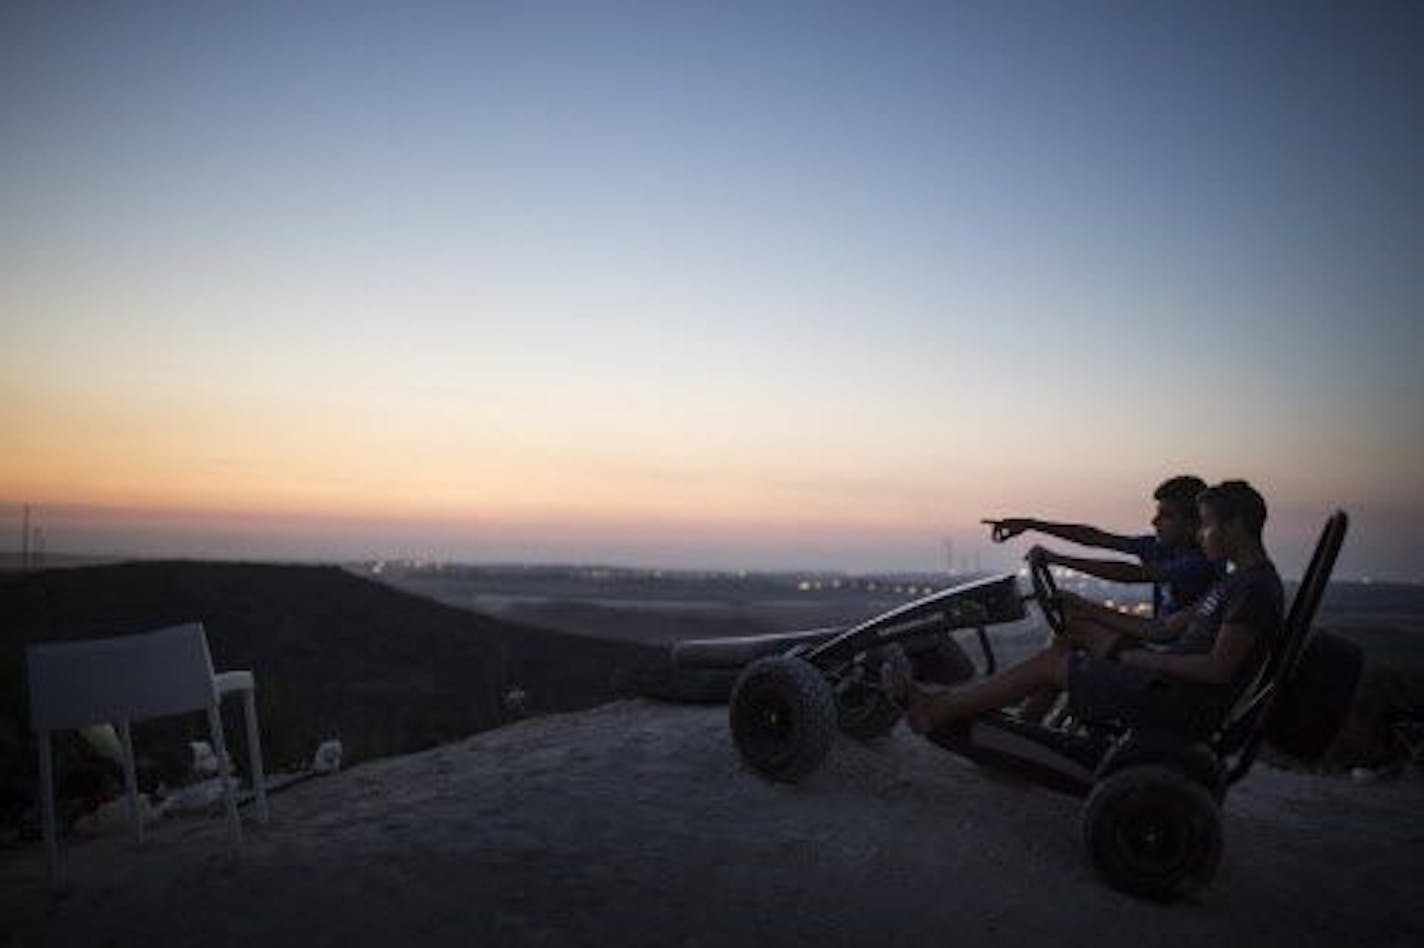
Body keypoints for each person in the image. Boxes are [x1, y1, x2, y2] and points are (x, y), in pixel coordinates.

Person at [886, 480, 1285, 740]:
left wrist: (1138, 658)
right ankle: (1023, 731)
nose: (1202, 533)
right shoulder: (1237, 582)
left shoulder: (1242, 584)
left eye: (1208, 524)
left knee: (1051, 665)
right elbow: (1165, 628)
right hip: (1165, 677)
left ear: (1234, 526)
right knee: (1072, 631)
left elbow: (1216, 667)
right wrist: (1034, 526)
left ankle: (940, 710)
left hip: (1171, 695)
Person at [983, 475, 1221, 720]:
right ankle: (1038, 719)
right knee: (1073, 630)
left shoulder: (1198, 564)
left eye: (1166, 515)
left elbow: (1131, 574)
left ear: (1193, 524)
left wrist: (1059, 560)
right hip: (1160, 650)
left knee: (1074, 630)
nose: (1155, 521)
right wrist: (1032, 524)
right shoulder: (1166, 548)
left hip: (1167, 664)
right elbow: (1095, 537)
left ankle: (1028, 719)